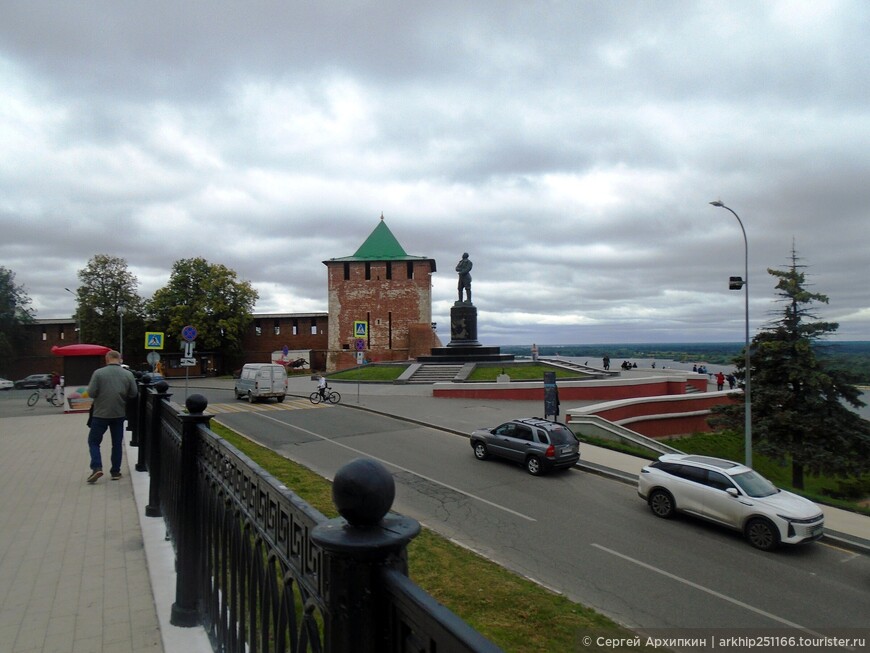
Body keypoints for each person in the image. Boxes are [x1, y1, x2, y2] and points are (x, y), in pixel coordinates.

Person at [85, 350, 138, 483]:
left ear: (107, 359)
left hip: (100, 414)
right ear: (120, 359)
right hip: (119, 413)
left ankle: (97, 467)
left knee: (94, 441)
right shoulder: (128, 374)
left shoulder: (98, 373)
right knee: (117, 444)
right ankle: (115, 472)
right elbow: (133, 393)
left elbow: (91, 393)